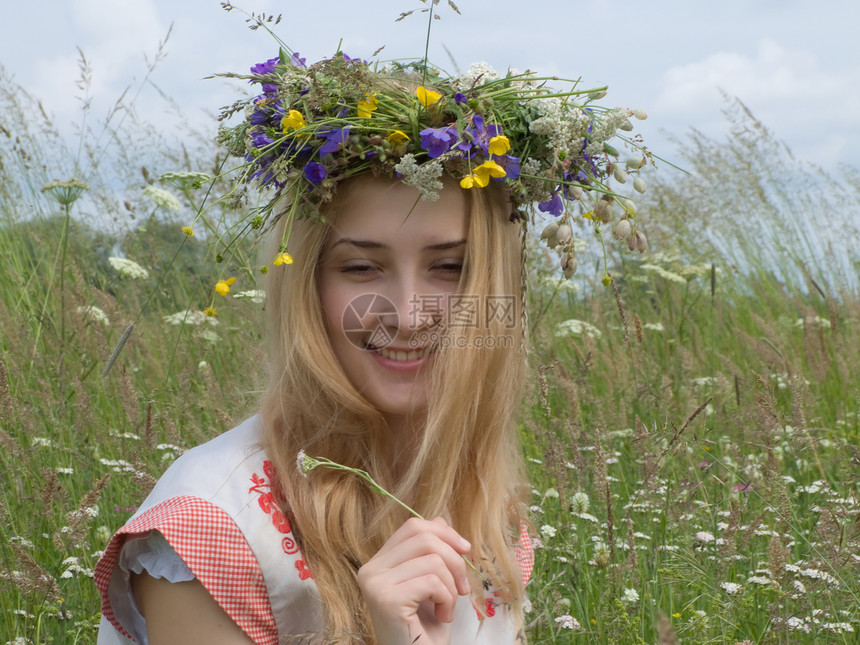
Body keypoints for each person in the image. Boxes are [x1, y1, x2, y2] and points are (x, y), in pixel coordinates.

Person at [95, 26, 651, 645]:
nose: (409, 315)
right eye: (360, 267)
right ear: (306, 285)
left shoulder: (482, 497)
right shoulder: (212, 528)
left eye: (451, 268)